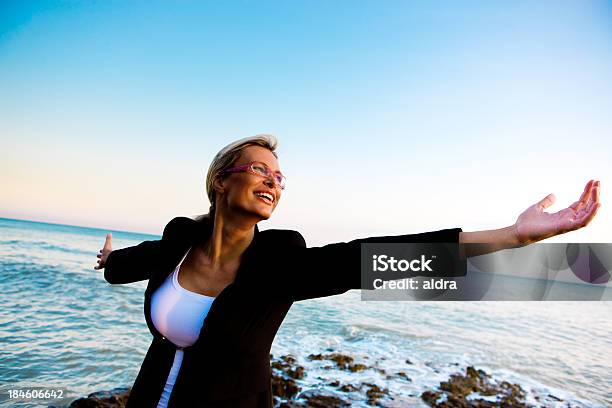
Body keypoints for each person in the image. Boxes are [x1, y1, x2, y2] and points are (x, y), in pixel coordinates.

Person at [94, 134, 600, 407]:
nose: (274, 181)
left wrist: (515, 236)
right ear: (221, 181)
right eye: (259, 169)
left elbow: (366, 260)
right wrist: (109, 260)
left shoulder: (278, 261)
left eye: (280, 176)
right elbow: (129, 264)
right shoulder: (181, 238)